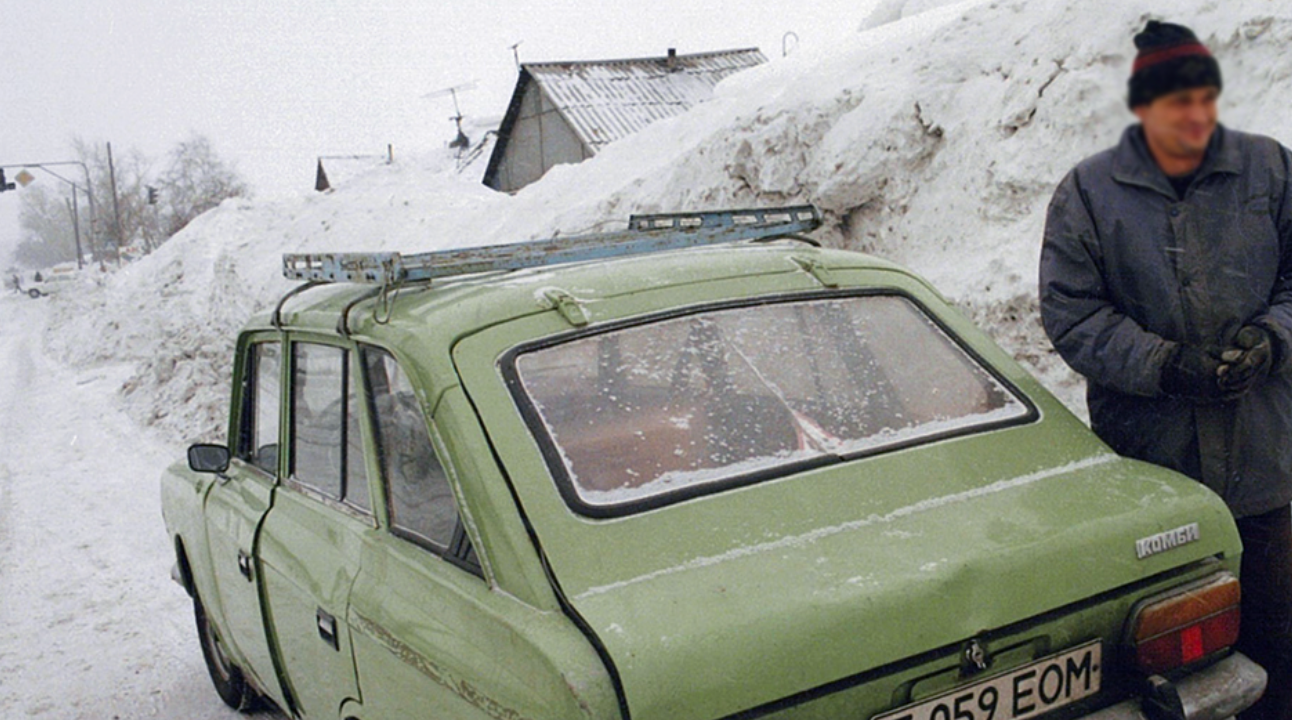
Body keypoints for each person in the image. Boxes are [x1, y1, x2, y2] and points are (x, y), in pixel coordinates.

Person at [1040, 20, 1291, 720]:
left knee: (1276, 632)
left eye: (1205, 97)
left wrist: (1273, 338)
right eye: (1177, 100)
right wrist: (1167, 365)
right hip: (1155, 462)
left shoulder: (1271, 168)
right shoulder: (1088, 192)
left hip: (1266, 455)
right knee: (1167, 647)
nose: (1196, 116)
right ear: (1143, 104)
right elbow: (1072, 314)